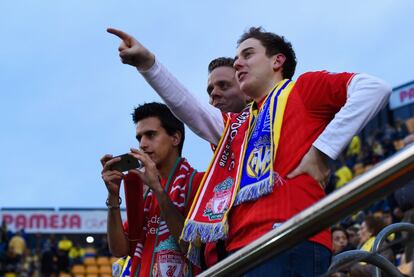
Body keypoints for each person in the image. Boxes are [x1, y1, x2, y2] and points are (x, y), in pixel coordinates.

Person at [107, 27, 391, 276]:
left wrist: (321, 152)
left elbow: (373, 89)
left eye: (248, 54)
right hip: (238, 253)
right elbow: (189, 107)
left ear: (277, 61)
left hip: (287, 238)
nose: (238, 62)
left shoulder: (302, 89)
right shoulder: (235, 124)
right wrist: (148, 64)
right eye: (237, 58)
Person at [101, 102, 203, 277]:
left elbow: (192, 248)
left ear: (175, 138)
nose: (143, 144)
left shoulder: (200, 182)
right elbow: (119, 250)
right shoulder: (142, 192)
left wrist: (157, 188)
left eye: (150, 135)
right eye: (139, 138)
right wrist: (113, 196)